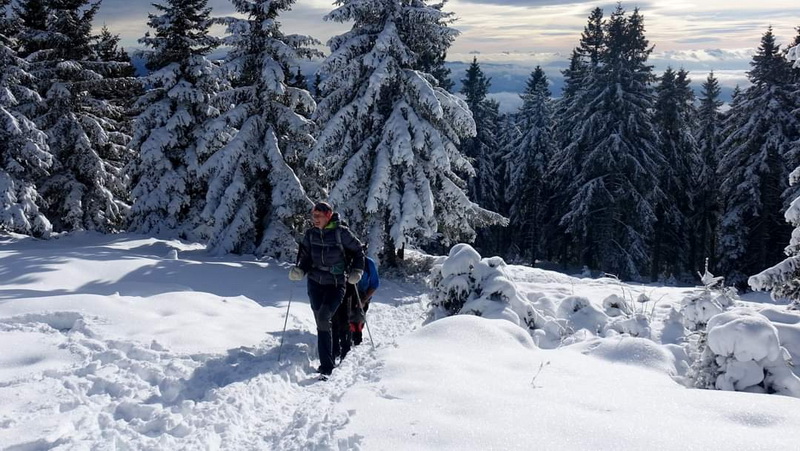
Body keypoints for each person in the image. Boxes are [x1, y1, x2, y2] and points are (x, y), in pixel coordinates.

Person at [288, 202, 364, 377]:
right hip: (315, 283)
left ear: (328, 216)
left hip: (336, 284)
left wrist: (357, 271)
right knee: (320, 320)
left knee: (324, 317)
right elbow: (305, 257)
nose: (315, 219)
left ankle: (326, 366)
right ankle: (331, 354)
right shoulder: (310, 234)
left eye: (318, 216)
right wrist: (300, 271)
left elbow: (358, 251)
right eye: (313, 215)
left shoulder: (341, 233)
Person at [332, 254, 380, 362]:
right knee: (343, 318)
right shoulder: (345, 260)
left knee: (358, 317)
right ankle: (343, 339)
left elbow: (374, 284)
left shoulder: (368, 263)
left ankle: (356, 337)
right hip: (346, 292)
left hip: (363, 293)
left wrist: (364, 300)